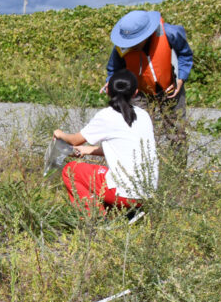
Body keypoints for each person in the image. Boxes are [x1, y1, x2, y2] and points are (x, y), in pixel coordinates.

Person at [55, 69, 158, 216]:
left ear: (107, 89)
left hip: (124, 193)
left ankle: (95, 219)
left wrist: (60, 133)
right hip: (147, 192)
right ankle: (127, 214)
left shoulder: (107, 115)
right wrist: (87, 150)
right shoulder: (144, 115)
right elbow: (125, 149)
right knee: (104, 175)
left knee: (71, 170)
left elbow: (74, 140)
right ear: (135, 93)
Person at [104, 10, 192, 167]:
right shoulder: (121, 46)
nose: (130, 46)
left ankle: (179, 172)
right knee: (139, 131)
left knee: (177, 133)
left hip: (170, 89)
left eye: (135, 42)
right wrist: (110, 82)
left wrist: (181, 78)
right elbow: (113, 69)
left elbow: (185, 55)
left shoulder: (170, 33)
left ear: (146, 35)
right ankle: (144, 170)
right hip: (140, 93)